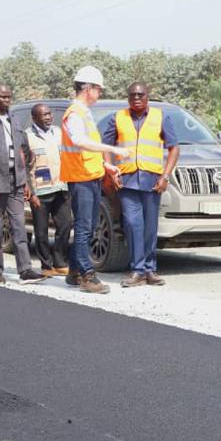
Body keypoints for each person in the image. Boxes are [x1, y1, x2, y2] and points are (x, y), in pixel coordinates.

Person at [101, 82, 180, 288]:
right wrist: (110, 169)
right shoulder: (117, 118)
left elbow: (174, 148)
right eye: (132, 95)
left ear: (147, 97)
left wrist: (165, 176)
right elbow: (106, 147)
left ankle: (150, 270)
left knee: (149, 227)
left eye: (140, 94)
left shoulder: (161, 116)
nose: (136, 98)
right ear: (128, 98)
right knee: (132, 225)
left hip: (152, 182)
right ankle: (137, 270)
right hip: (126, 182)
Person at [60, 66, 132, 294]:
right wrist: (112, 149)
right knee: (84, 228)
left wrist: (106, 165)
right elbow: (80, 142)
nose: (99, 94)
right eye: (98, 90)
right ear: (88, 89)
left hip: (91, 175)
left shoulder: (85, 113)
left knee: (88, 227)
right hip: (80, 179)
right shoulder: (74, 114)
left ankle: (74, 271)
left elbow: (87, 151)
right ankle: (86, 275)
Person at [0, 83, 45, 285]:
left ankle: (25, 269)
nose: (7, 100)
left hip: (16, 182)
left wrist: (26, 181)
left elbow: (22, 151)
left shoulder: (15, 119)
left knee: (19, 227)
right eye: (3, 97)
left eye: (9, 97)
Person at [25, 104, 73, 276]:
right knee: (41, 230)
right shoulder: (28, 136)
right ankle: (46, 265)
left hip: (61, 187)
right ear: (34, 118)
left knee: (66, 225)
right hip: (40, 191)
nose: (48, 117)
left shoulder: (58, 132)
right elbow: (23, 166)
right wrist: (30, 192)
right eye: (43, 115)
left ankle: (60, 262)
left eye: (49, 114)